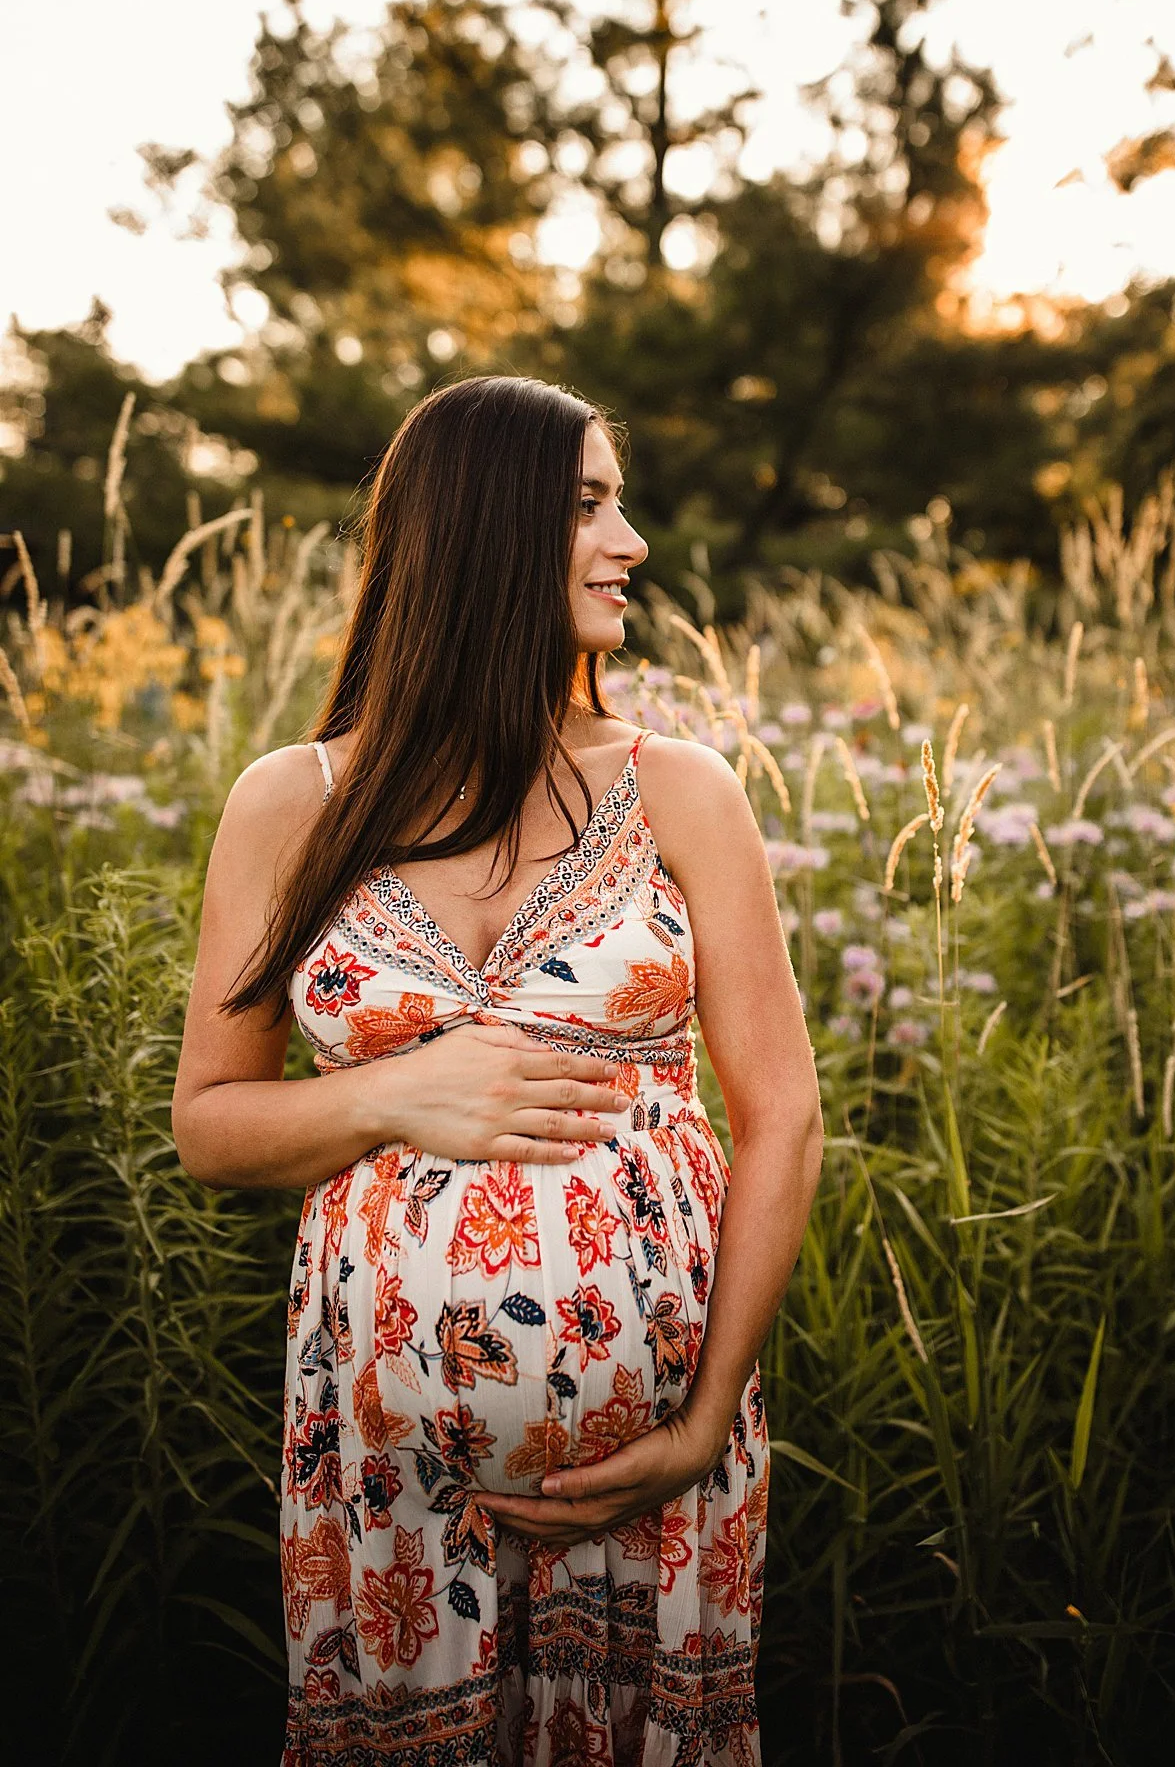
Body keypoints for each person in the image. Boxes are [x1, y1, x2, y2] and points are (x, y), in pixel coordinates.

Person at [172, 375, 824, 1765]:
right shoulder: (291, 804)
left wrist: (703, 1423)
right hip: (383, 1486)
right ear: (484, 530)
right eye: (590, 504)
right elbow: (211, 1124)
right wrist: (389, 1093)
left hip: (652, 1482)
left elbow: (788, 1117)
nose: (631, 541)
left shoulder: (679, 790)